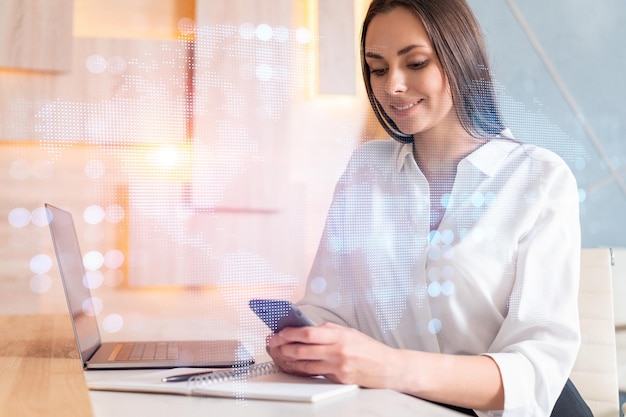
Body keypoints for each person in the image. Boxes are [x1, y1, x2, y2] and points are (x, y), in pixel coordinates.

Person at [267, 0, 591, 416]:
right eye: (378, 68)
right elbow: (331, 309)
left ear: (460, 58)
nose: (392, 86)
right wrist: (306, 342)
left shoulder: (539, 178)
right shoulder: (365, 170)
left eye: (415, 63)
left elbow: (536, 371)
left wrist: (387, 367)